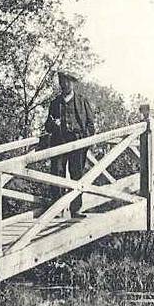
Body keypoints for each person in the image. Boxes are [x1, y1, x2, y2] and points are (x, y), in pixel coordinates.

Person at [45, 70, 95, 217]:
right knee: (57, 173)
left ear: (72, 83)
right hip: (59, 142)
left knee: (77, 174)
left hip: (77, 142)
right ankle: (57, 209)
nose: (64, 84)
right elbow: (47, 126)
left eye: (67, 81)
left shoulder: (82, 101)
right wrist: (54, 124)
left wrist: (85, 139)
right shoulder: (55, 103)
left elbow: (91, 125)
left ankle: (76, 209)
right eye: (62, 81)